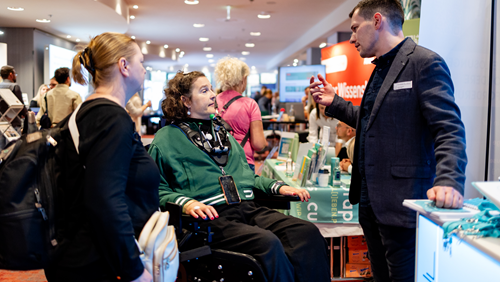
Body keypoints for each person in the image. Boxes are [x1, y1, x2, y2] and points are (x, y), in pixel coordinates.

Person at [309, 0, 467, 282]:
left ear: (378, 21)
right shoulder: (379, 68)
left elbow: (449, 128)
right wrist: (334, 102)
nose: (352, 37)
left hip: (403, 203)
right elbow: (372, 122)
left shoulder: (424, 63)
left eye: (356, 28)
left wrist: (449, 181)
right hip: (370, 204)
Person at [148, 71, 330, 282]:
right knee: (267, 242)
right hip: (208, 219)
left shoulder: (222, 133)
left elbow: (247, 177)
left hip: (245, 207)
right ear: (185, 100)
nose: (212, 95)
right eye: (204, 90)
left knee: (306, 232)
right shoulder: (166, 139)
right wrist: (186, 203)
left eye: (211, 89)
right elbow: (156, 190)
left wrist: (277, 187)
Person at [44, 32, 159, 282]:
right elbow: (105, 200)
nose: (145, 70)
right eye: (141, 62)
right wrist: (135, 271)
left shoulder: (88, 113)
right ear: (124, 66)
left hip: (79, 255)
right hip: (94, 262)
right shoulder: (111, 118)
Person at [214, 57, 266, 172]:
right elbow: (259, 144)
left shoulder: (212, 101)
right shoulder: (250, 104)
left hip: (215, 162)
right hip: (243, 163)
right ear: (243, 79)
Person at [0, 65, 27, 130]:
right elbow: (20, 105)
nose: (15, 76)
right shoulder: (15, 86)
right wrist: (26, 113)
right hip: (13, 122)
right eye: (15, 73)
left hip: (1, 122)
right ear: (11, 74)